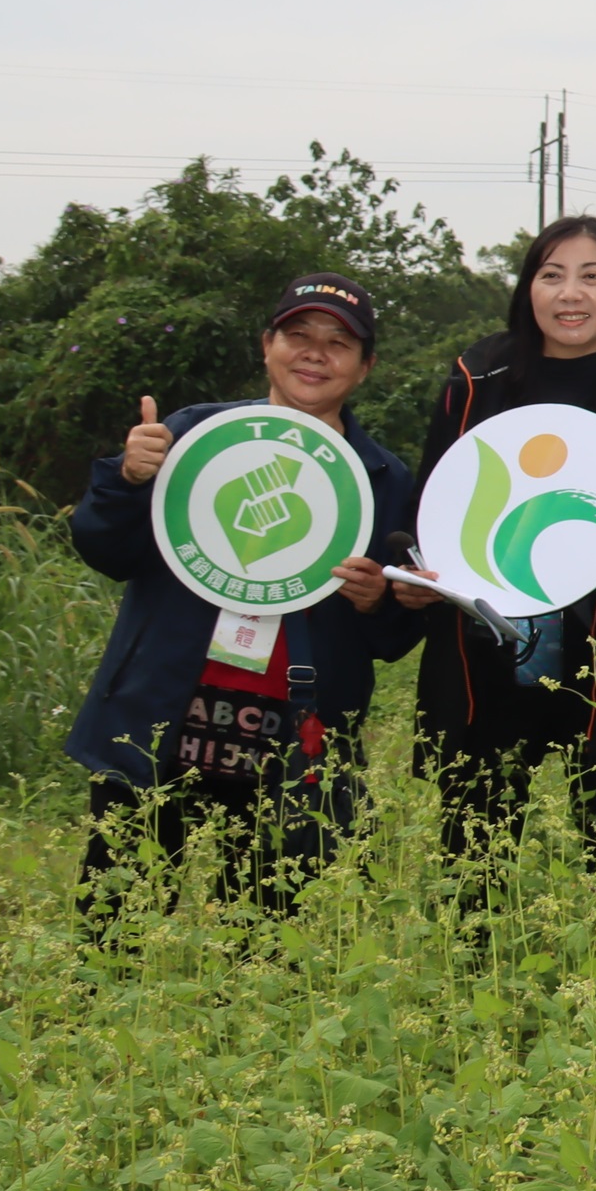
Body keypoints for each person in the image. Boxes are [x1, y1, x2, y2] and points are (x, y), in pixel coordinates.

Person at [68, 275, 421, 924]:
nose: (315, 353)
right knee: (117, 929)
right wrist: (126, 478)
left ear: (365, 366)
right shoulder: (192, 437)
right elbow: (103, 549)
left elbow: (394, 638)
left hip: (292, 743)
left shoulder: (383, 479)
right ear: (267, 346)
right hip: (161, 720)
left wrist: (379, 602)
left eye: (338, 343)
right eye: (298, 335)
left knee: (264, 944)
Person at [406, 217, 596, 887]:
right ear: (528, 287)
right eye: (552, 274)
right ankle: (478, 966)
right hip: (487, 639)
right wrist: (411, 565)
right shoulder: (478, 377)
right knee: (474, 844)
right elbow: (428, 504)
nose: (571, 293)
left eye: (593, 276)